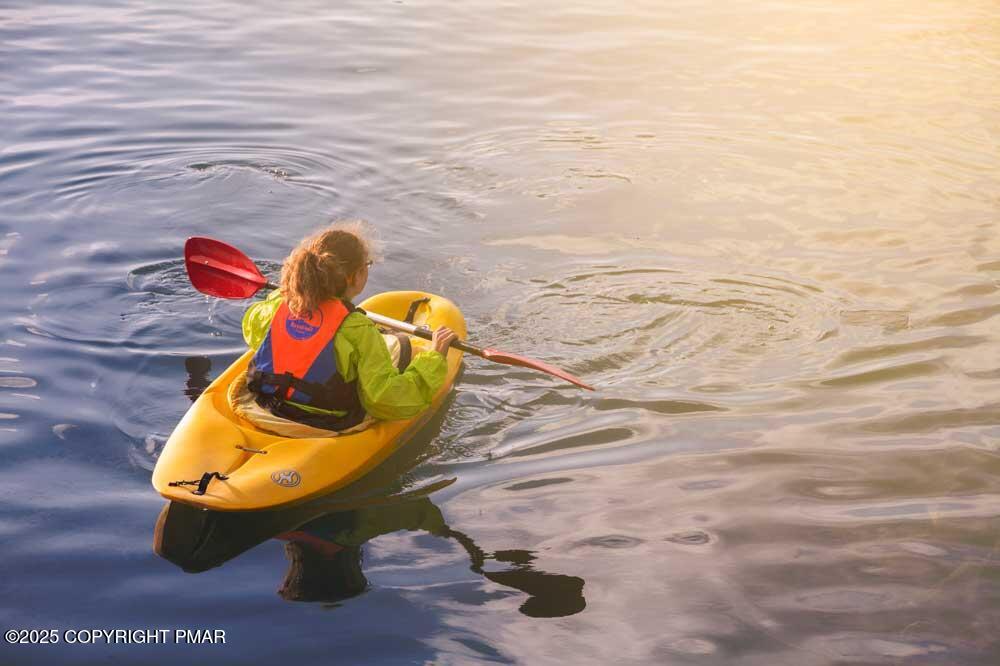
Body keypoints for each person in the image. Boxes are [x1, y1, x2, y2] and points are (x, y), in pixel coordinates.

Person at [229, 221, 457, 436]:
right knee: (404, 350)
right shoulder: (358, 330)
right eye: (367, 265)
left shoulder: (279, 305)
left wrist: (286, 292)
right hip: (324, 421)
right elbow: (384, 399)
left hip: (264, 401)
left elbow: (252, 330)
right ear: (354, 277)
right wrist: (434, 358)